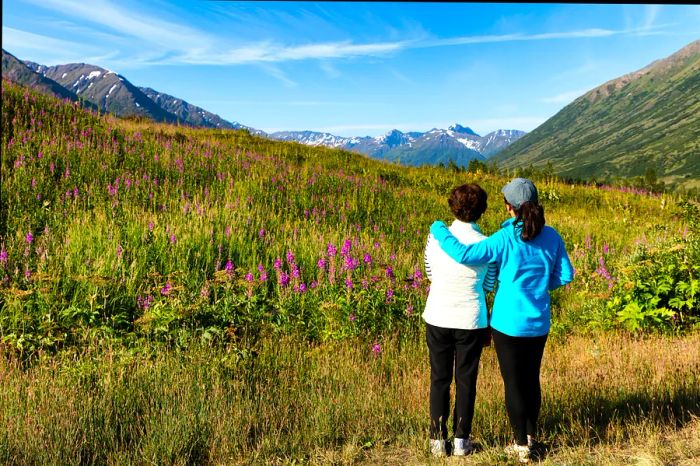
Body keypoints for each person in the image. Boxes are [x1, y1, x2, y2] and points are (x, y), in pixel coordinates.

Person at [429, 178, 574, 463]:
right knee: (532, 380)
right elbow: (566, 275)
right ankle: (531, 437)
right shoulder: (552, 235)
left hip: (507, 322)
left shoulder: (505, 237)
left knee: (513, 383)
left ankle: (521, 446)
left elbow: (464, 254)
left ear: (509, 206)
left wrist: (438, 229)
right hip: (539, 321)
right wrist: (541, 286)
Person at [422, 183, 497, 457]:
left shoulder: (436, 237)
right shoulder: (487, 243)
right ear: (482, 210)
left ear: (452, 206)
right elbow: (489, 282)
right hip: (471, 318)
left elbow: (429, 270)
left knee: (439, 378)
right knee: (466, 380)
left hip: (438, 313)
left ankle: (437, 441)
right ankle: (461, 441)